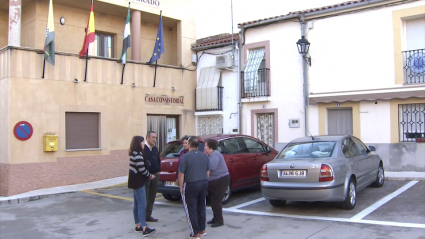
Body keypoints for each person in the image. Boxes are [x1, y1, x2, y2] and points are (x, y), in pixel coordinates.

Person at [178, 136, 210, 239]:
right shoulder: (204, 156)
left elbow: (181, 174)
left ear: (190, 145)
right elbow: (208, 171)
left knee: (191, 209)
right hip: (203, 183)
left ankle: (195, 232)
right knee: (201, 206)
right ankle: (202, 229)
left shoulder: (186, 157)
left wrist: (181, 187)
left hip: (191, 184)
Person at [127, 136, 156, 237]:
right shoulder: (138, 154)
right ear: (138, 143)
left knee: (137, 204)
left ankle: (138, 225)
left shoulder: (133, 153)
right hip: (139, 182)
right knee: (142, 205)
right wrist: (150, 175)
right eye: (142, 142)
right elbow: (142, 169)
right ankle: (144, 228)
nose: (144, 144)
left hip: (134, 182)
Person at [204, 138, 230, 228]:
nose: (204, 148)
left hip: (220, 180)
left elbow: (211, 167)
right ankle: (215, 218)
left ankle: (219, 221)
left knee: (216, 201)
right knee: (213, 200)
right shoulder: (209, 155)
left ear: (210, 147)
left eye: (206, 146)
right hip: (213, 180)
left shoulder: (215, 155)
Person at [144, 131, 161, 222]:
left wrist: (158, 171)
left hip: (155, 175)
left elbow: (158, 160)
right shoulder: (143, 149)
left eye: (155, 138)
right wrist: (148, 174)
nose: (154, 139)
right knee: (145, 197)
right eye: (153, 137)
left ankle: (148, 215)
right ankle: (142, 216)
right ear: (147, 137)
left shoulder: (155, 149)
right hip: (146, 176)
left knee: (152, 197)